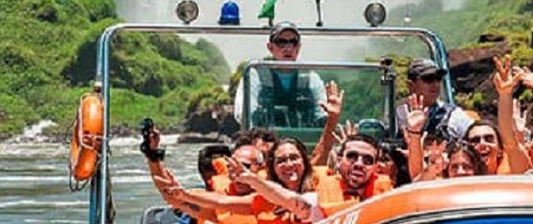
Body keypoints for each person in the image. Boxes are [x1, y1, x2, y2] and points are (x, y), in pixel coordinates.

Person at [155, 137, 321, 224]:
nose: (289, 164)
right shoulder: (261, 201)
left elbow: (296, 203)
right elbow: (222, 201)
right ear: (273, 168)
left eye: (294, 158)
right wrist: (185, 195)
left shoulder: (318, 196)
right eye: (281, 161)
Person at [234, 22, 327, 127]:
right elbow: (243, 114)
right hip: (265, 140)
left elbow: (322, 115)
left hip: (304, 141)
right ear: (270, 47)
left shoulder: (312, 78)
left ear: (299, 47)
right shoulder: (254, 76)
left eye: (293, 42)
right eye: (281, 42)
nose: (288, 48)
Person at [314, 134, 393, 218]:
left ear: (375, 167)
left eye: (367, 160)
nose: (359, 164)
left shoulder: (387, 192)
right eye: (352, 156)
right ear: (339, 160)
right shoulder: (319, 184)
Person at [395, 59, 473, 141]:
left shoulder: (454, 115)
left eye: (438, 78)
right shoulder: (395, 116)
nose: (435, 84)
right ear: (411, 85)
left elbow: (477, 135)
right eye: (428, 79)